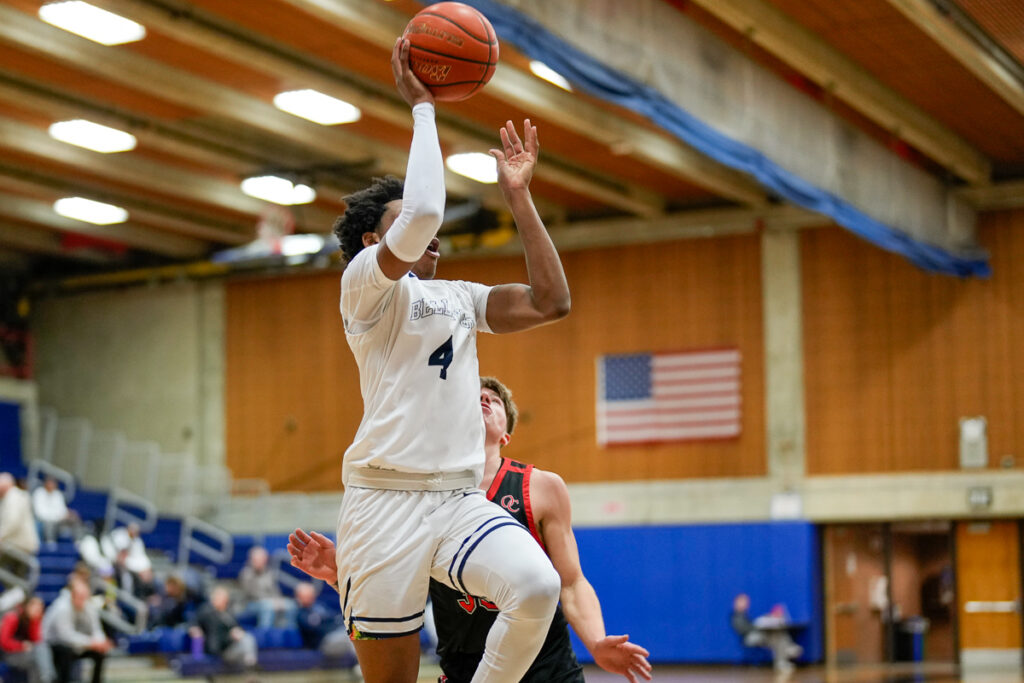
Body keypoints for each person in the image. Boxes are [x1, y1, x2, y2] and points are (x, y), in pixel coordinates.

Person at [321, 35, 571, 683]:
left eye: (433, 234)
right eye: (409, 228)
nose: (432, 234)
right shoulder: (364, 288)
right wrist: (422, 107)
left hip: (456, 497)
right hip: (381, 502)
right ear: (376, 240)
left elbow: (552, 300)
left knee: (537, 586)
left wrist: (519, 196)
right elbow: (427, 206)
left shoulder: (461, 297)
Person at [290, 377, 652, 683]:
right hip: (465, 664)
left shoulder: (541, 486)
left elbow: (571, 581)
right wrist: (342, 573)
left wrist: (596, 640)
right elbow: (398, 588)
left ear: (506, 433)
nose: (482, 400)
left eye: (492, 400)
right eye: (473, 397)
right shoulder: (417, 496)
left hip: (545, 663)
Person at [42, 575, 112, 683]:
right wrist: (91, 643)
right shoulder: (62, 607)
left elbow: (96, 629)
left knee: (100, 653)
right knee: (65, 652)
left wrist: (100, 642)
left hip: (78, 643)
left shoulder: (88, 605)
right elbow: (65, 636)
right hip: (53, 644)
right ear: (72, 595)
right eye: (80, 596)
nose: (83, 599)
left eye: (85, 596)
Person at [731, 593, 802, 675]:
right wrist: (757, 625)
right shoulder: (735, 616)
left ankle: (784, 655)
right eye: (743, 601)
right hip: (748, 638)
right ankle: (787, 649)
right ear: (736, 602)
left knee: (776, 633)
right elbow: (743, 630)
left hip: (756, 634)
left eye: (746, 602)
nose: (746, 604)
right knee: (774, 635)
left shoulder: (745, 614)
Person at [190, 585, 257, 671]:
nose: (222, 600)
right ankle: (250, 668)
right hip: (215, 648)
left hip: (229, 646)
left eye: (224, 598)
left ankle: (250, 665)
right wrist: (194, 630)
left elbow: (236, 628)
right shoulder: (206, 611)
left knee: (248, 638)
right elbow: (193, 623)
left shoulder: (228, 613)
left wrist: (237, 632)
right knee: (245, 645)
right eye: (219, 597)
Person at [293, 581, 356, 663]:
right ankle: (363, 665)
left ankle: (365, 664)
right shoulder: (300, 613)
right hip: (322, 644)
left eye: (310, 594)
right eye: (306, 595)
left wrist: (326, 621)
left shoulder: (320, 607)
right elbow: (316, 629)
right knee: (350, 636)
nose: (309, 597)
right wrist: (326, 622)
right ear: (298, 596)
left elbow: (334, 618)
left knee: (355, 631)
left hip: (335, 636)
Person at [238, 546, 296, 628]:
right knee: (267, 607)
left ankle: (288, 633)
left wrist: (278, 600)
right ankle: (265, 634)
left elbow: (275, 590)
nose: (261, 561)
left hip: (270, 601)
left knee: (291, 605)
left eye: (263, 559)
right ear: (251, 560)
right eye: (257, 559)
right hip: (250, 604)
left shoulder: (270, 573)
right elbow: (252, 594)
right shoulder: (246, 574)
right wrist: (272, 601)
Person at [1, 595, 55, 683]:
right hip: (9, 655)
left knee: (42, 648)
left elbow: (36, 640)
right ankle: (47, 678)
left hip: (26, 653)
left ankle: (47, 677)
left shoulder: (33, 620)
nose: (38, 611)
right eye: (36, 608)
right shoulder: (12, 617)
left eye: (40, 609)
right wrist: (21, 645)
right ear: (28, 606)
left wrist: (35, 621)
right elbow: (4, 642)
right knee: (36, 659)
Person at [0, 473, 39, 581]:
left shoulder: (13, 497)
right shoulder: (14, 496)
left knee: (18, 580)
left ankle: (18, 596)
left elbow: (12, 521)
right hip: (20, 545)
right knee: (18, 579)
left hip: (18, 546)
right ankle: (18, 596)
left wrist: (1, 535)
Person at [31, 476, 79, 548]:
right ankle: (50, 544)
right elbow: (40, 513)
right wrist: (56, 516)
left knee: (74, 518)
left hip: (59, 520)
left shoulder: (58, 494)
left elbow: (62, 510)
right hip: (44, 520)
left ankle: (78, 542)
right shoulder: (38, 493)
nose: (52, 485)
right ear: (45, 483)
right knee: (49, 523)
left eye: (53, 483)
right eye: (50, 483)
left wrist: (63, 515)